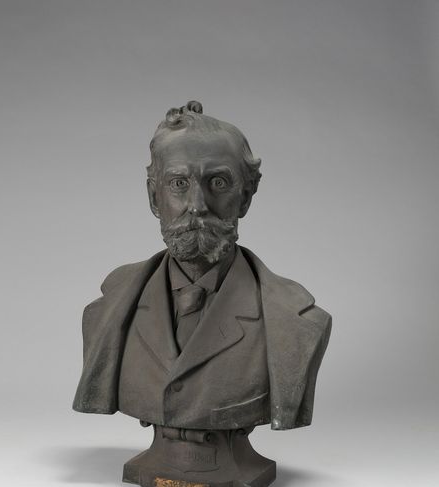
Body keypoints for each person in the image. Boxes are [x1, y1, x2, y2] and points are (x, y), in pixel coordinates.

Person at [73, 101, 331, 433]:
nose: (197, 206)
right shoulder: (109, 309)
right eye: (179, 183)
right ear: (154, 197)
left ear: (245, 197)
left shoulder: (296, 323)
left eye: (218, 183)